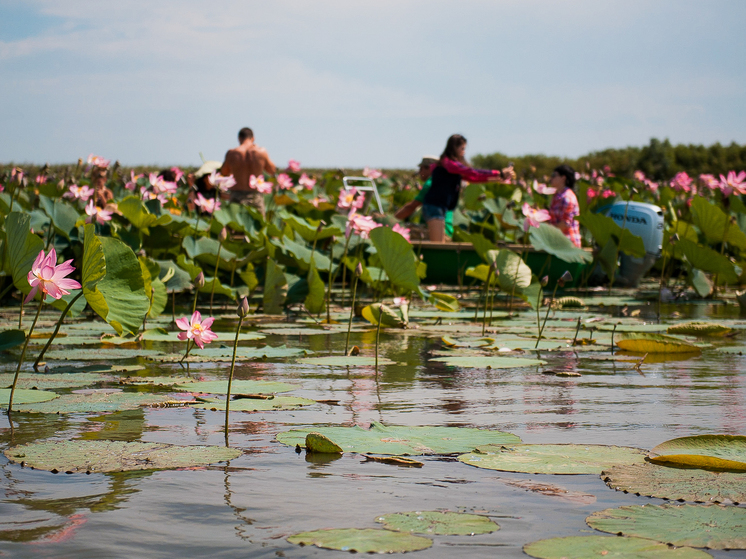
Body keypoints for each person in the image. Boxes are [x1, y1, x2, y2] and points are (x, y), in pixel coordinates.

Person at [422, 134, 513, 242]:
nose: (464, 151)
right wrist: (499, 173)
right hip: (434, 206)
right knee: (437, 244)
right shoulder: (448, 163)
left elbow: (473, 178)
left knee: (440, 242)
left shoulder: (452, 165)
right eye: (462, 148)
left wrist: (498, 178)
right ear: (454, 147)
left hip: (441, 207)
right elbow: (471, 172)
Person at [220, 127, 276, 216]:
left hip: (236, 196)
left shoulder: (231, 153)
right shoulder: (261, 152)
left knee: (234, 228)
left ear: (239, 138)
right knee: (259, 228)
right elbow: (272, 170)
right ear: (253, 138)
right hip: (255, 196)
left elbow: (224, 173)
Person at [394, 156, 456, 237]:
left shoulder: (431, 183)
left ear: (430, 168)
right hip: (447, 231)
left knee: (400, 234)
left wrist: (391, 220)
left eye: (421, 169)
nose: (419, 172)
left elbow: (411, 207)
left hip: (435, 232)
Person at [548, 164, 581, 247]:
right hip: (557, 243)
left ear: (563, 178)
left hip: (568, 245)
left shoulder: (567, 197)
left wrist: (546, 233)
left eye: (553, 175)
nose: (550, 178)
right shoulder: (556, 196)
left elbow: (565, 224)